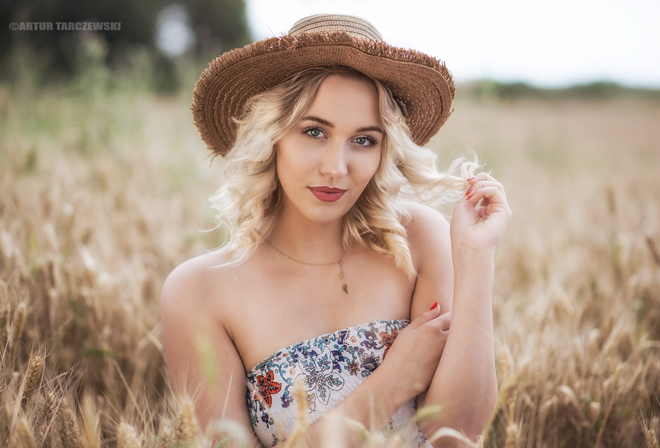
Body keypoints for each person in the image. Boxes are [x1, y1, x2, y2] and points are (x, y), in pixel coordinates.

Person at [161, 13, 511, 448]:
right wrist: (392, 383)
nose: (336, 167)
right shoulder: (199, 293)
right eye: (314, 131)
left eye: (364, 139)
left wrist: (476, 260)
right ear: (272, 136)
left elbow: (461, 433)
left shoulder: (417, 240)